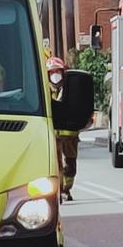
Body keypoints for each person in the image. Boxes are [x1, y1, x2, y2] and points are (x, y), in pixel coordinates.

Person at [47, 55, 80, 202]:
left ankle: (67, 189)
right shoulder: (44, 91)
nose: (55, 75)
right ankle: (60, 191)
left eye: (57, 72)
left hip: (70, 135)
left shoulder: (70, 91)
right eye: (51, 72)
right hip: (53, 135)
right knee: (56, 164)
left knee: (70, 164)